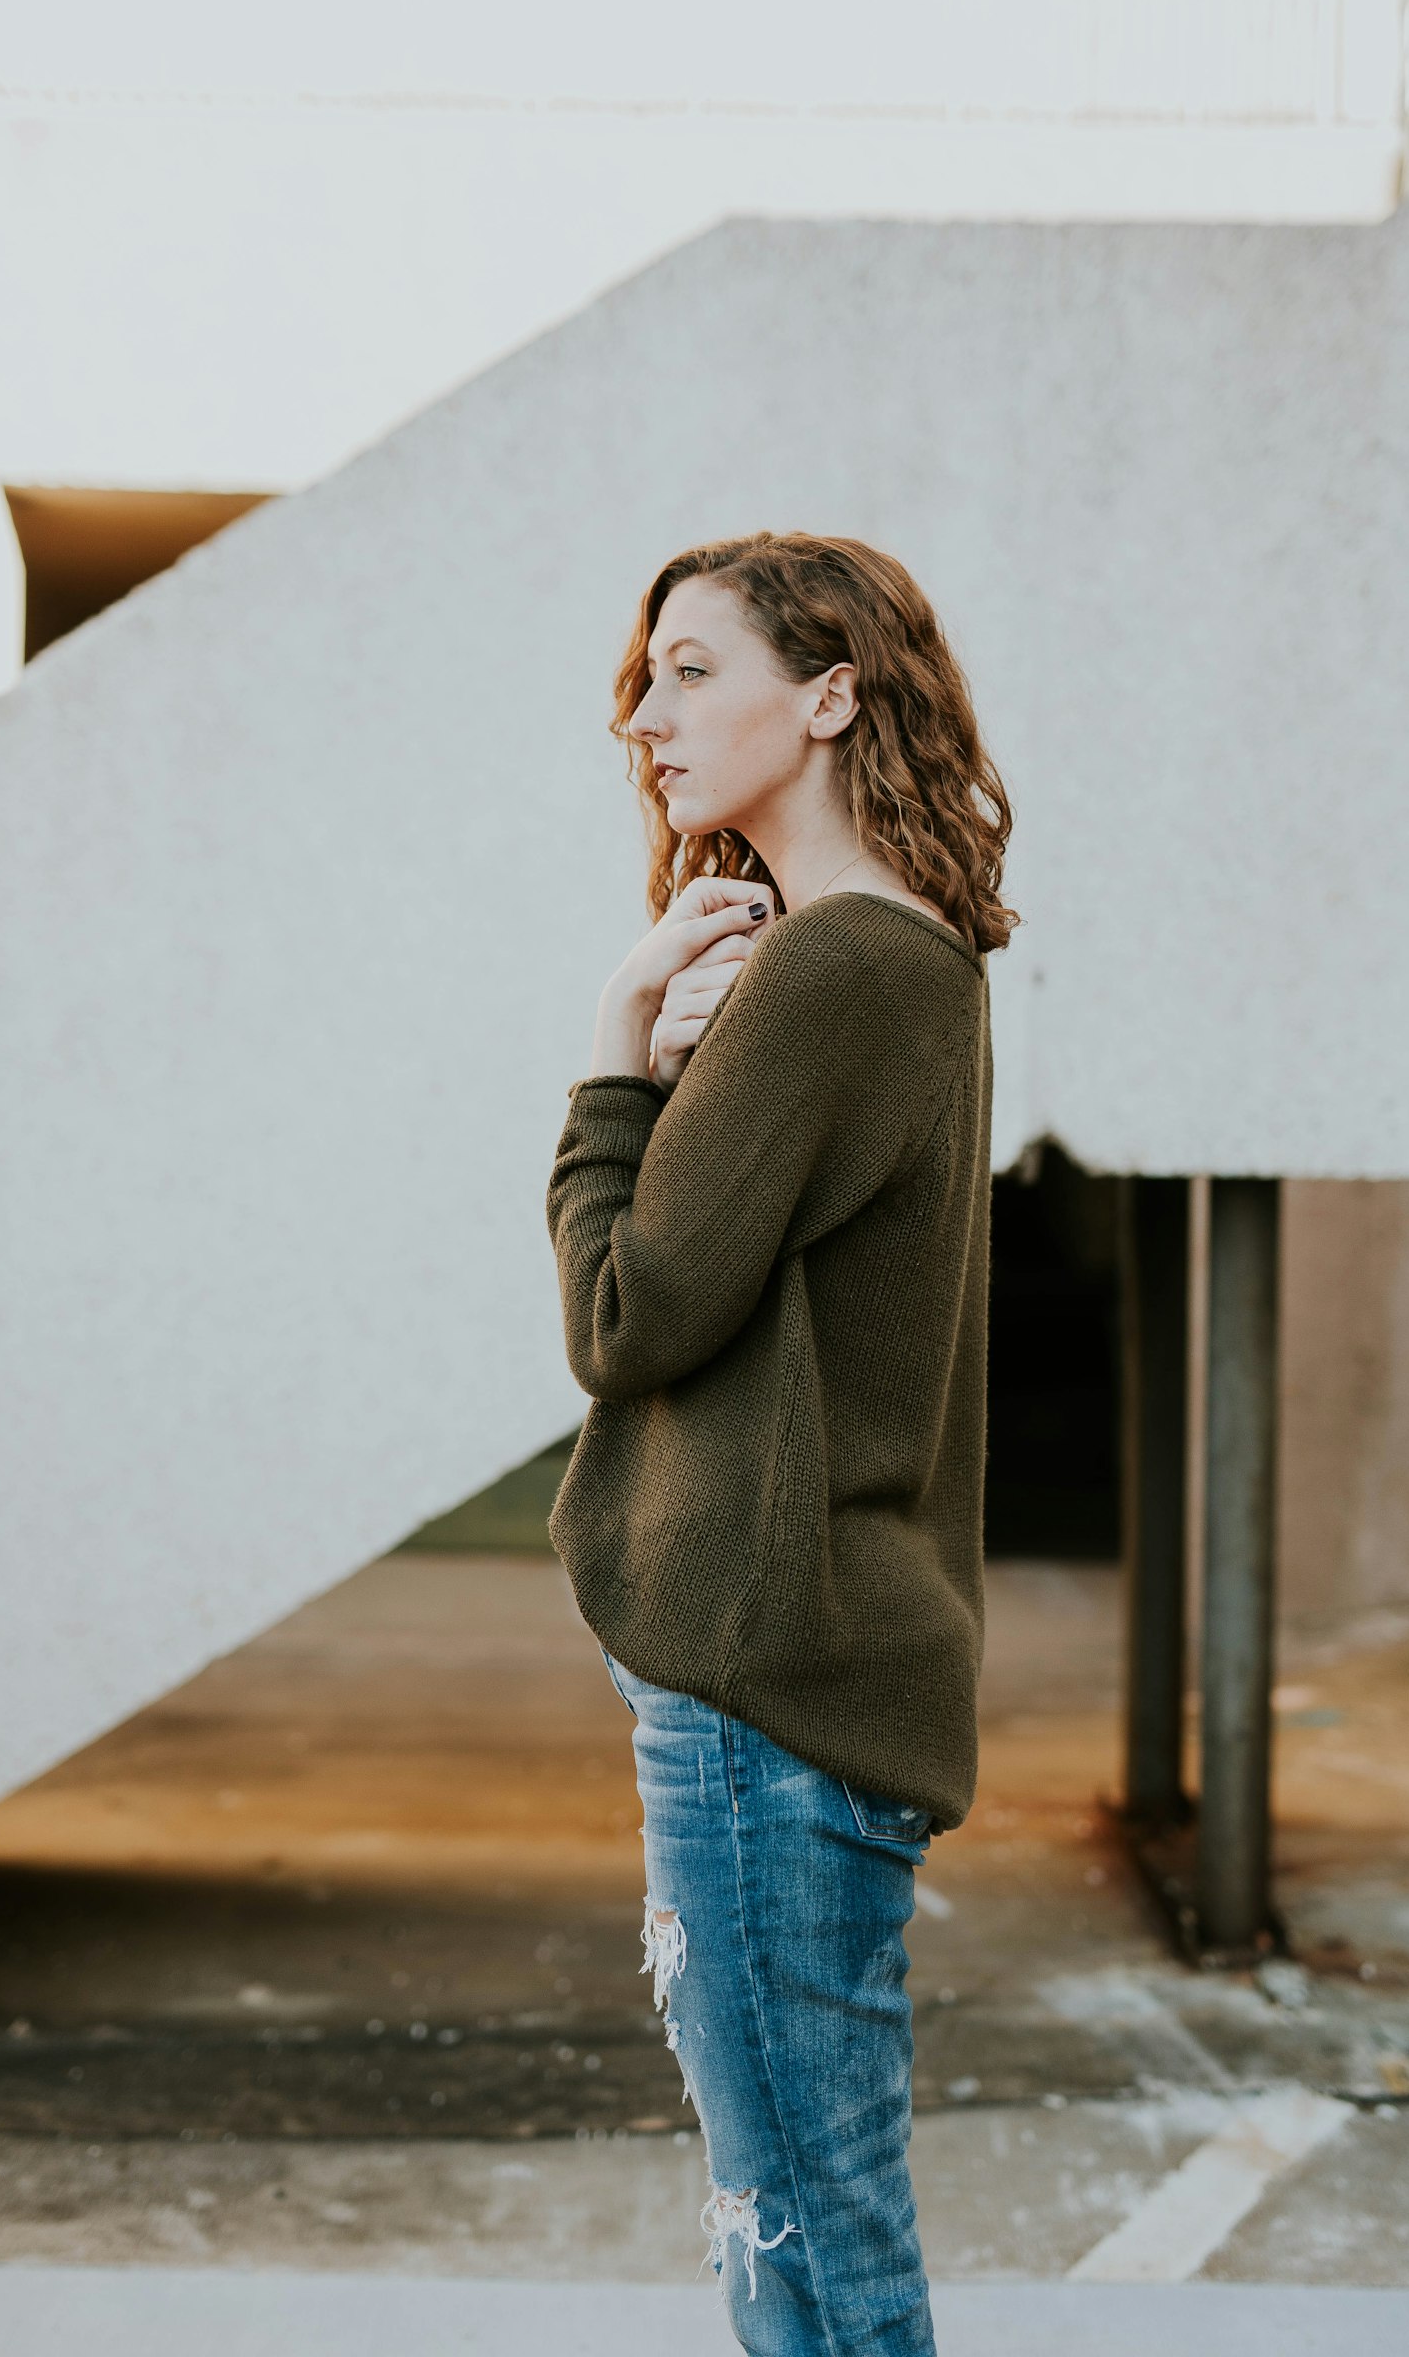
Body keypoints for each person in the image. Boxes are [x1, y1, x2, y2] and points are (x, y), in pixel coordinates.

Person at [545, 531, 1016, 2354]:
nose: (648, 717)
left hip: (768, 1694)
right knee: (804, 2229)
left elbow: (628, 1315)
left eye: (692, 670)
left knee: (806, 2246)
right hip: (811, 1682)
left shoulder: (834, 975)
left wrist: (612, 1054)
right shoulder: (904, 964)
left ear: (827, 698)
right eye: (645, 678)